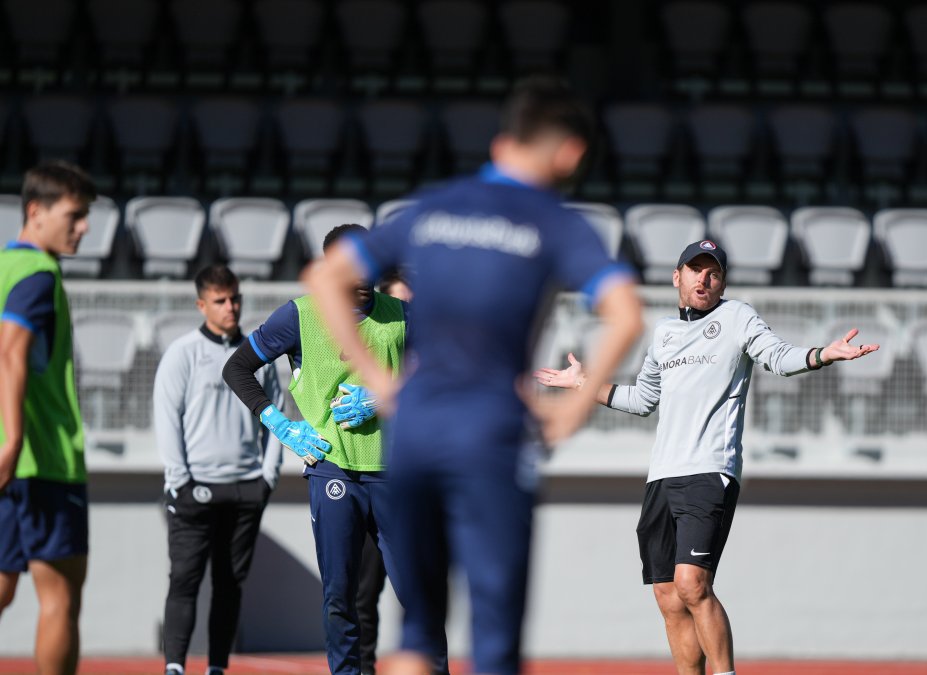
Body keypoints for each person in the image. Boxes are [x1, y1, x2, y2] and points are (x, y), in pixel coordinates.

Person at [303, 76, 644, 675]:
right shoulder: (552, 220)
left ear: (503, 138)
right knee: (493, 635)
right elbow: (626, 313)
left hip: (412, 431)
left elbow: (324, 280)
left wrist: (383, 386)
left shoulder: (431, 207)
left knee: (415, 635)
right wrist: (574, 406)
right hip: (491, 430)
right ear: (570, 152)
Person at [536, 240, 879, 675]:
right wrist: (585, 383)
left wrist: (821, 355)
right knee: (666, 594)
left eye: (712, 272)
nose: (704, 278)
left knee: (692, 583)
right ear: (677, 276)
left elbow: (777, 356)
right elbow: (643, 400)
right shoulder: (663, 332)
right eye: (695, 269)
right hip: (661, 476)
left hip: (709, 472)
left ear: (722, 282)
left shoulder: (737, 317)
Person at [222, 225, 448, 675]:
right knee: (339, 597)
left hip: (394, 474)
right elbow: (238, 368)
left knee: (420, 597)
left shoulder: (402, 315)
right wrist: (281, 425)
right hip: (333, 470)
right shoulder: (300, 316)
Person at [154, 265, 285, 675]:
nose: (231, 307)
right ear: (201, 304)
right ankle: (175, 666)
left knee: (230, 586)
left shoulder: (258, 355)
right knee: (186, 580)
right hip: (196, 490)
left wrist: (267, 477)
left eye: (235, 299)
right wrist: (180, 482)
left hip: (246, 488)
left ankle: (217, 668)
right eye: (221, 301)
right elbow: (166, 419)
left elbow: (277, 419)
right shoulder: (183, 353)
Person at [0, 160, 96, 674]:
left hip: (13, 465)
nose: (83, 228)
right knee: (60, 598)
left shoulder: (1, 267)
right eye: (74, 215)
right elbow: (11, 351)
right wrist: (13, 443)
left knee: (2, 585)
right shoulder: (38, 273)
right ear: (35, 211)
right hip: (44, 460)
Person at [356, 268, 413, 675]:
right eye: (401, 303)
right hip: (365, 477)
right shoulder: (365, 347)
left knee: (421, 595)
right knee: (362, 592)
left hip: (412, 490)